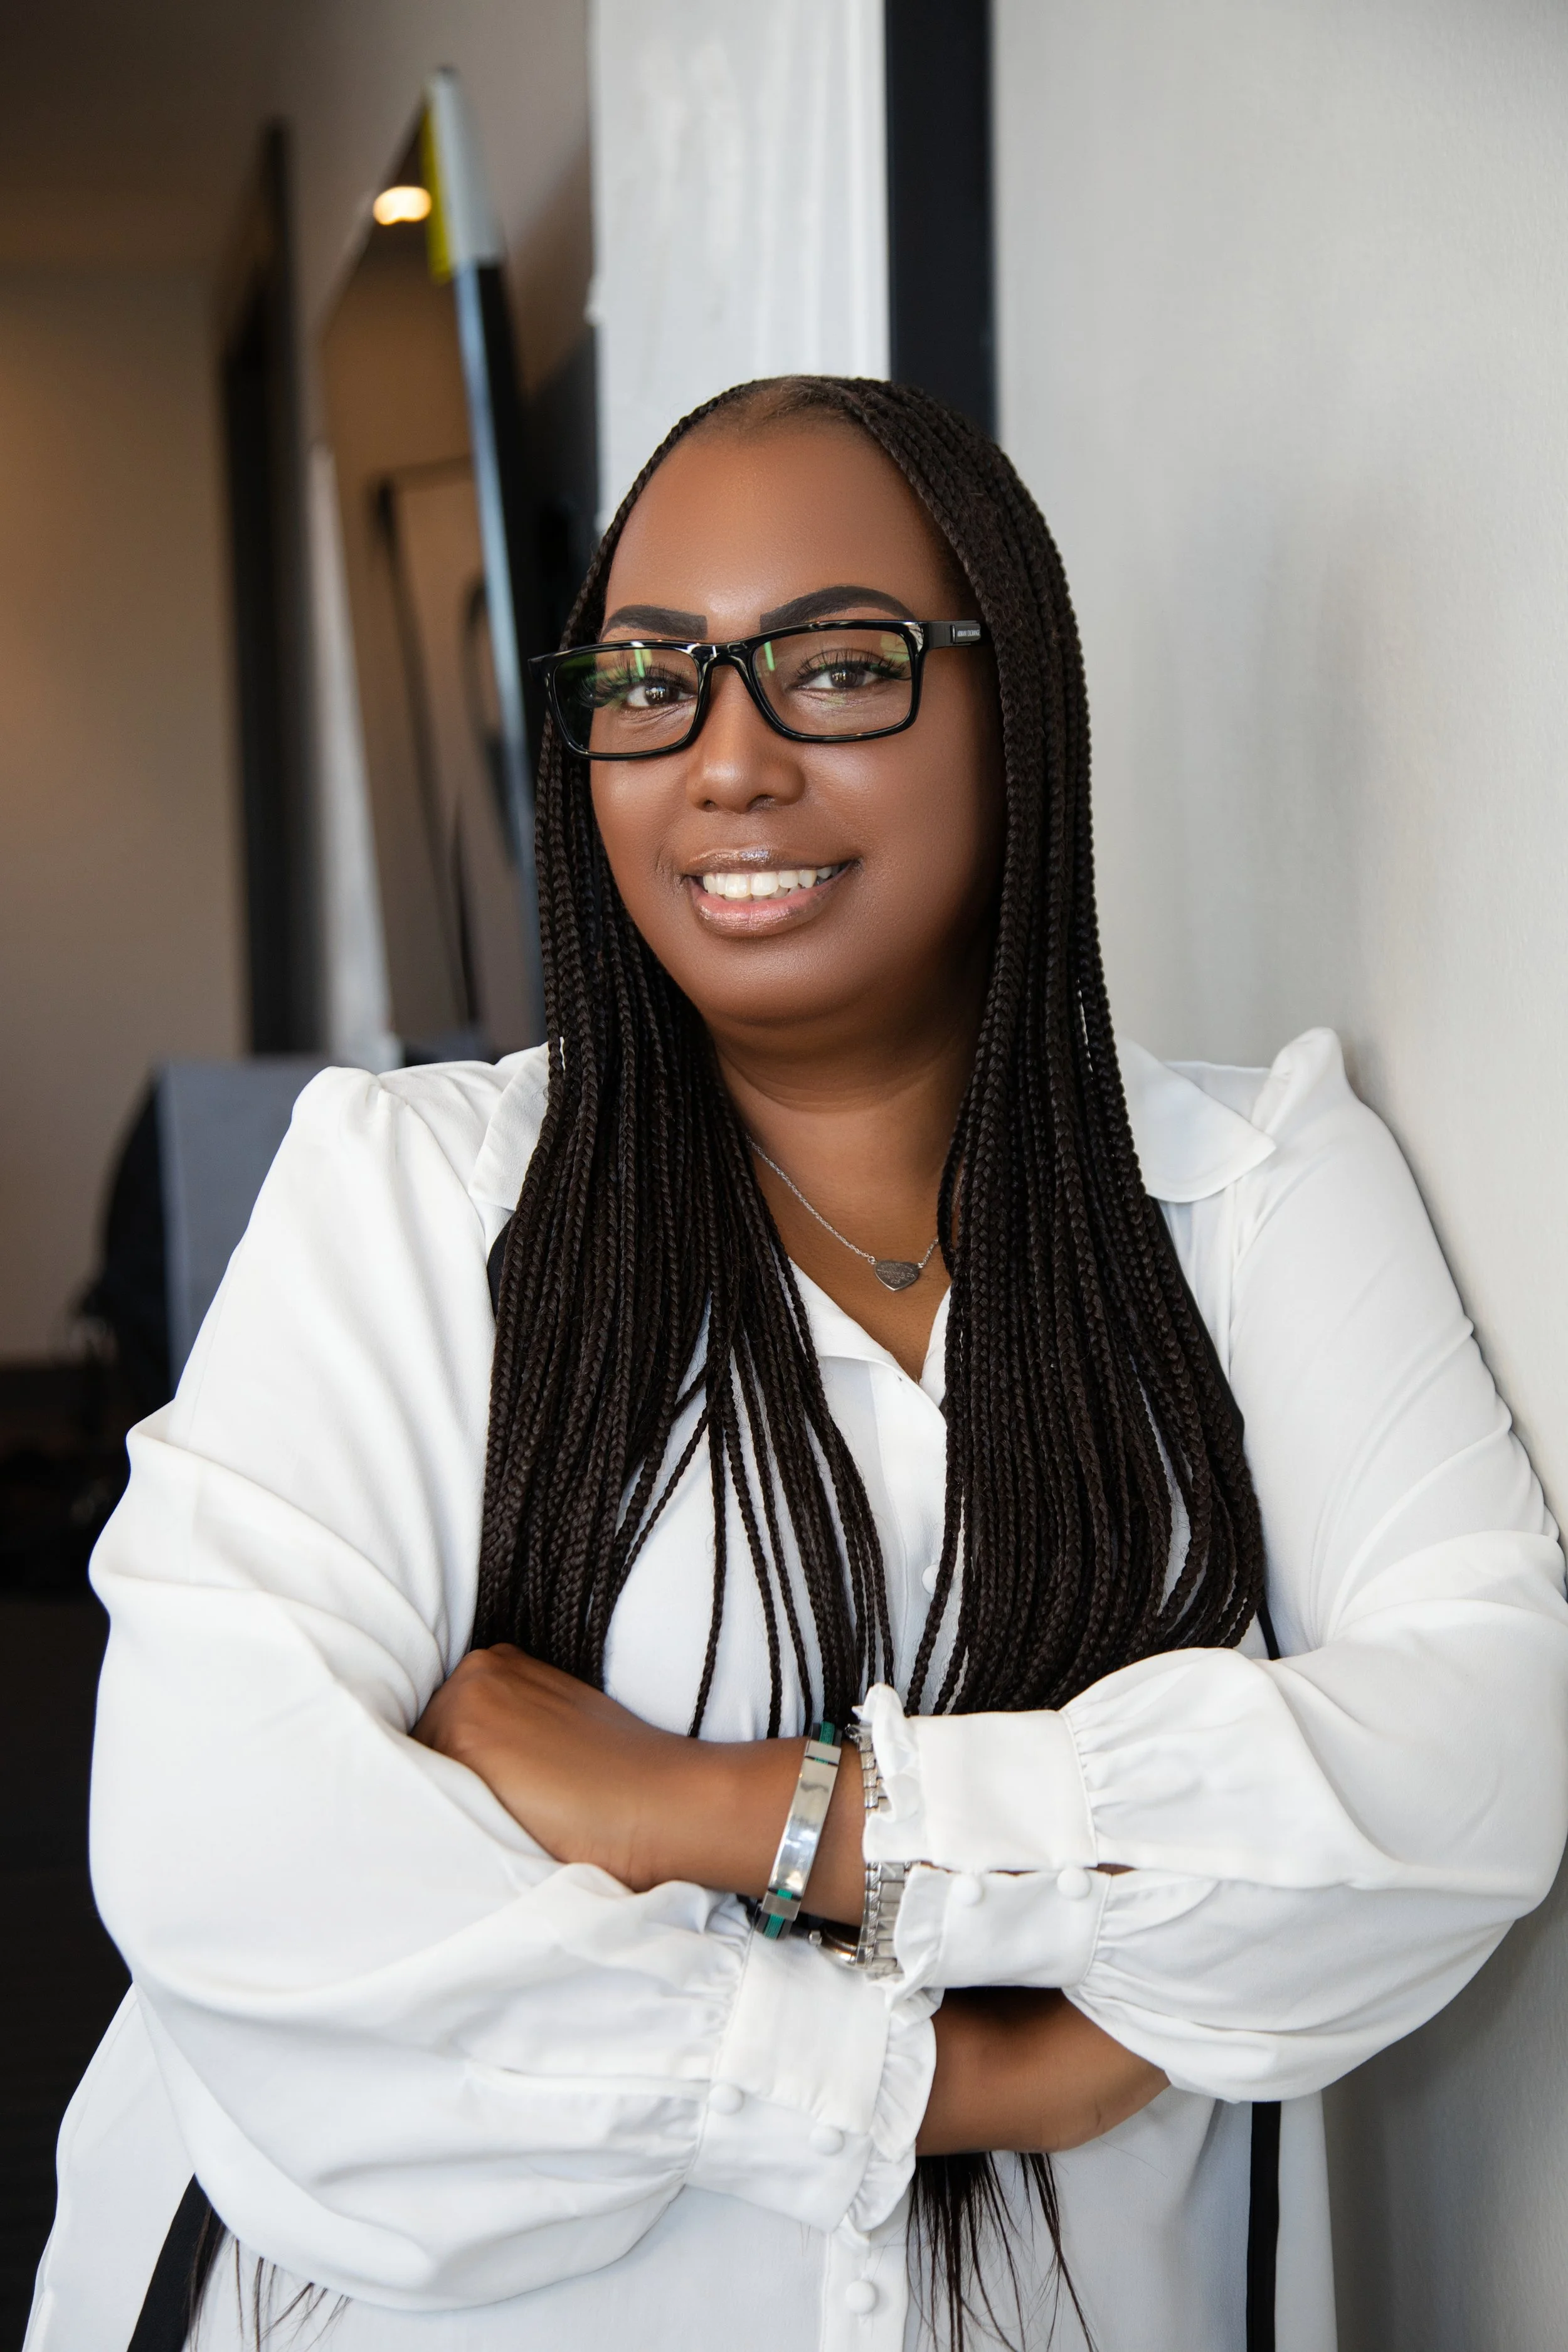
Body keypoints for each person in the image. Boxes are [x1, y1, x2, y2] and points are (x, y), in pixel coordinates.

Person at [26, 378, 1568, 2352]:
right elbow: (236, 1864)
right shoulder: (417, 1203)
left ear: (1019, 710)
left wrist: (735, 1813)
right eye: (647, 680)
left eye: (835, 669)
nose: (725, 761)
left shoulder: (1250, 1196)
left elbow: (1467, 1773)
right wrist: (951, 2079)